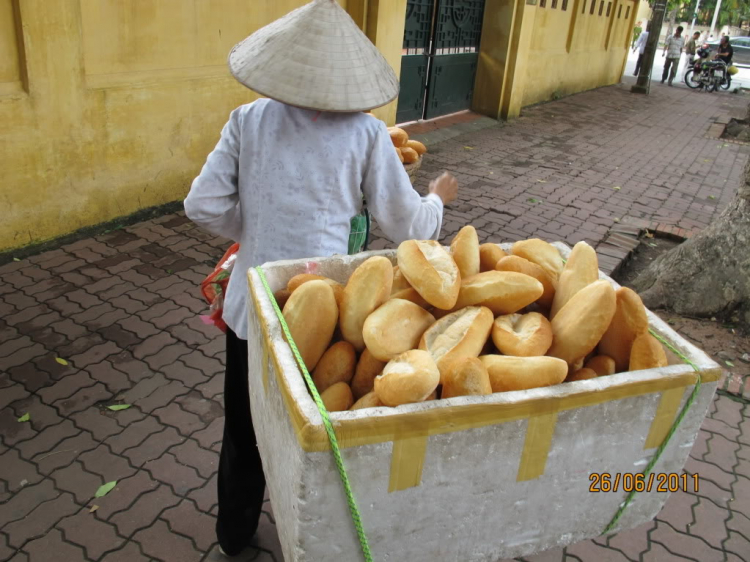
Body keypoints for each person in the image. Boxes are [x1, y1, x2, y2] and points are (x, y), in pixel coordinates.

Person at [183, 0, 458, 556]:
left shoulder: (249, 119)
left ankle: (234, 535)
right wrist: (436, 198)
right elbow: (404, 224)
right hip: (324, 307)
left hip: (254, 306)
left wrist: (256, 229)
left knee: (244, 429)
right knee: (314, 430)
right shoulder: (366, 134)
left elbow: (203, 204)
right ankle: (311, 536)